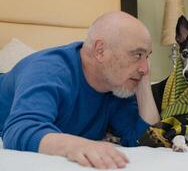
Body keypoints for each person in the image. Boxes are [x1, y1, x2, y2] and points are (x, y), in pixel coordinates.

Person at [0, 11, 160, 169]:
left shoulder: (116, 86)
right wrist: (76, 145)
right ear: (100, 51)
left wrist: (143, 81)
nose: (145, 68)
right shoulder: (47, 70)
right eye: (137, 54)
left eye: (147, 56)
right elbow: (18, 129)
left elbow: (148, 138)